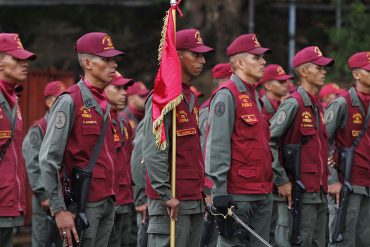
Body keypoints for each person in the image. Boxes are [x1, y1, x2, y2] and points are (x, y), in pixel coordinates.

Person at [39, 32, 124, 247]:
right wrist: (59, 210)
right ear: (87, 62)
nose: (114, 64)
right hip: (84, 204)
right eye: (106, 59)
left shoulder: (105, 102)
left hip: (107, 200)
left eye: (114, 59)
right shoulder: (70, 100)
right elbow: (49, 158)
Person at [142, 28, 213, 247]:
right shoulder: (164, 97)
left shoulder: (189, 97)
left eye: (203, 55)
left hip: (192, 199)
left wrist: (203, 190)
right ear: (178, 55)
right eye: (195, 54)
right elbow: (154, 150)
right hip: (172, 201)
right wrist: (165, 194)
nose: (202, 60)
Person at [205, 33, 273, 246]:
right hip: (238, 195)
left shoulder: (255, 98)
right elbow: (217, 145)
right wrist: (219, 193)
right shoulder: (227, 94)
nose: (264, 62)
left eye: (263, 57)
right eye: (257, 57)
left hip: (261, 191)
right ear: (241, 62)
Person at [269, 46, 333, 247]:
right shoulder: (293, 104)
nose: (324, 72)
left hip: (319, 191)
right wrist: (281, 181)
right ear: (304, 72)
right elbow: (269, 141)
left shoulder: (317, 107)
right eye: (319, 67)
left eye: (324, 68)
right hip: (299, 193)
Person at [325, 51, 370, 247]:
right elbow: (323, 142)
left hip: (368, 183)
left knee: (364, 241)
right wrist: (332, 179)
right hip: (347, 184)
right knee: (343, 241)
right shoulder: (341, 103)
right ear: (357, 75)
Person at [0, 32, 36, 247]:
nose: (24, 64)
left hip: (9, 201)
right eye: (16, 59)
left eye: (25, 60)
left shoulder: (12, 98)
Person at [22, 80, 66, 247]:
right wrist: (42, 194)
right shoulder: (39, 128)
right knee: (43, 240)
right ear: (48, 102)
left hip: (63, 196)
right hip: (45, 200)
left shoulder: (66, 125)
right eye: (58, 98)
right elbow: (32, 163)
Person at [105, 72, 136, 247]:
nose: (124, 92)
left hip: (123, 198)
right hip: (106, 200)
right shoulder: (99, 120)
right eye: (117, 88)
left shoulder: (123, 123)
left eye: (125, 88)